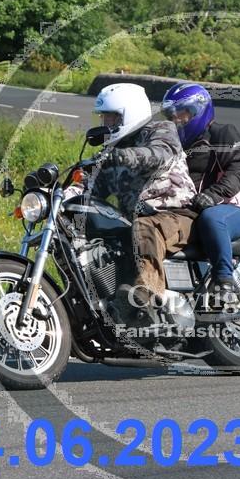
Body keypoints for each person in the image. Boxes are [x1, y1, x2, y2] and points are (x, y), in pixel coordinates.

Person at [88, 83, 197, 320]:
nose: (106, 123)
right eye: (104, 117)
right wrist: (53, 192)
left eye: (112, 117)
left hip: (179, 215)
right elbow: (90, 187)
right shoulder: (112, 152)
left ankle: (145, 292)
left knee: (144, 225)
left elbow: (158, 154)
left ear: (130, 113)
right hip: (138, 221)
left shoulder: (161, 130)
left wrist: (123, 156)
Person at [161, 82, 240, 301]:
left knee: (212, 217)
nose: (176, 119)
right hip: (189, 210)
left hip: (230, 209)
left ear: (198, 110)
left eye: (182, 112)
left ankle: (224, 281)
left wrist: (213, 195)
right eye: (171, 114)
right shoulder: (172, 143)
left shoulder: (222, 134)